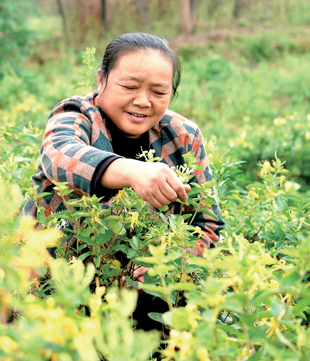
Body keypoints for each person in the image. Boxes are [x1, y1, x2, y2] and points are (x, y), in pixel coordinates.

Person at [22, 33, 224, 330]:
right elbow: (59, 153)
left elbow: (208, 226)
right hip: (53, 293)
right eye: (129, 86)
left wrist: (169, 263)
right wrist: (133, 172)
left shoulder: (183, 135)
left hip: (140, 305)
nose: (142, 101)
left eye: (158, 92)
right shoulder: (77, 115)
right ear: (101, 80)